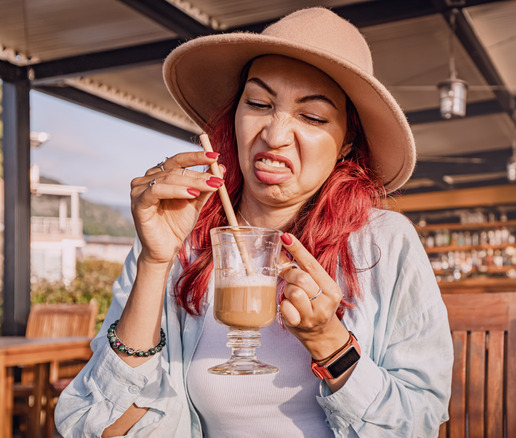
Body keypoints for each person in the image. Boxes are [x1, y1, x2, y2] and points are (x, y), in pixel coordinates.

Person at [55, 7, 453, 438]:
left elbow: (419, 424)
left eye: (313, 116)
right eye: (259, 103)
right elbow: (97, 427)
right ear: (236, 115)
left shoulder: (384, 244)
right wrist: (154, 263)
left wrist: (329, 342)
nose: (275, 134)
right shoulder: (179, 238)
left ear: (347, 142)